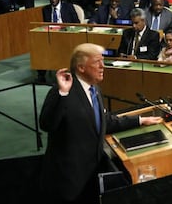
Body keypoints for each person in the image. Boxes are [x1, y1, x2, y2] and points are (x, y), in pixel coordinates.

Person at [39, 43, 163, 203]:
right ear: (81, 68)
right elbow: (47, 124)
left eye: (102, 61)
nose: (102, 66)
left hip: (91, 175)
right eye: (97, 62)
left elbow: (104, 121)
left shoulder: (94, 89)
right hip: (68, 181)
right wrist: (62, 93)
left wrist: (140, 120)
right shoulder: (62, 91)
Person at [38, 0, 80, 83]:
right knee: (39, 46)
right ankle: (41, 75)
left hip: (67, 36)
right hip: (52, 37)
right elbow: (46, 26)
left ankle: (68, 73)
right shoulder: (46, 10)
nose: (53, 1)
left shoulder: (68, 7)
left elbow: (77, 23)